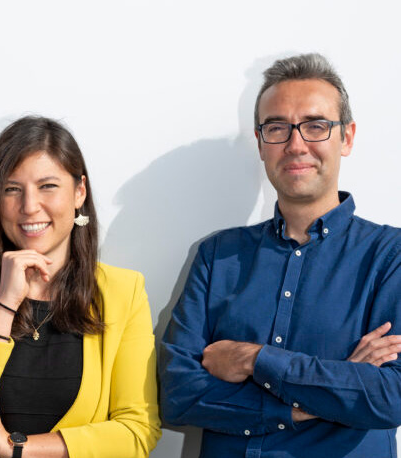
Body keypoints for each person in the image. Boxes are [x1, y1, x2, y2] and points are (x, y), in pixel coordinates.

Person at [160, 53, 401, 457]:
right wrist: (319, 398)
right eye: (277, 128)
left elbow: (390, 396)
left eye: (316, 126)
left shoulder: (391, 256)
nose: (295, 145)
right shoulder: (216, 256)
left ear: (347, 137)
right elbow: (177, 395)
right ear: (260, 143)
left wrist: (255, 359)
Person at [0, 116, 161, 457]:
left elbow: (137, 432)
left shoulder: (124, 292)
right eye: (11, 189)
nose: (29, 206)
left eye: (47, 186)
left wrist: (16, 449)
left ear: (79, 192)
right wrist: (5, 303)